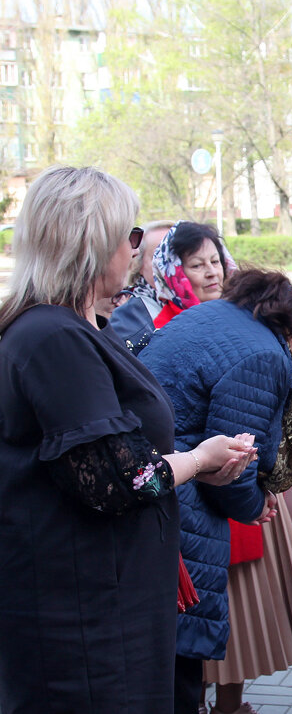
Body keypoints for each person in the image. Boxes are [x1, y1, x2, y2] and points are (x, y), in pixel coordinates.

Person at [0, 165, 256, 714]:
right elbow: (120, 480)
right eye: (131, 236)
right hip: (85, 619)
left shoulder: (76, 326)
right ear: (93, 244)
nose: (137, 251)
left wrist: (196, 465)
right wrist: (198, 458)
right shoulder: (52, 336)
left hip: (108, 603)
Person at [139, 268, 292, 714]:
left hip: (154, 476)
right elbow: (234, 460)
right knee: (177, 665)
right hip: (178, 503)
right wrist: (255, 505)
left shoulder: (227, 314)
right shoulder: (266, 356)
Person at [110, 221, 236, 353]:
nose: (212, 273)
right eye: (196, 265)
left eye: (215, 261)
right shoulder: (138, 319)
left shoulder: (241, 311)